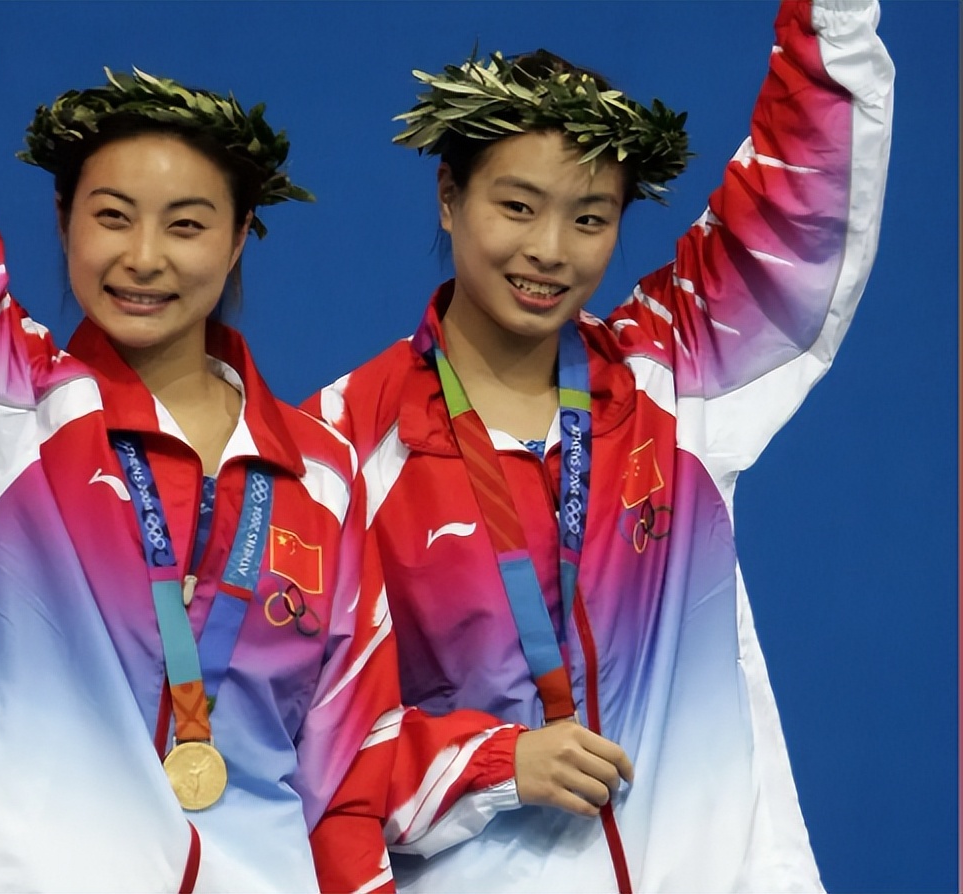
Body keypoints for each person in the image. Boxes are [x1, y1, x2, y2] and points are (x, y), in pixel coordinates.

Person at [0, 0, 524, 890]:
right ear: (64, 219)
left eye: (187, 225)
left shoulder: (321, 475)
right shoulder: (12, 408)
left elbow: (346, 772)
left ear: (238, 239)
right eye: (113, 216)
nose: (145, 257)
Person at [306, 0, 894, 890]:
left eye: (590, 218)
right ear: (449, 195)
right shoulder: (339, 446)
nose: (549, 250)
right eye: (517, 206)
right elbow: (306, 745)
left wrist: (833, 18)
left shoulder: (672, 376)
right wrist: (493, 760)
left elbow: (798, 205)